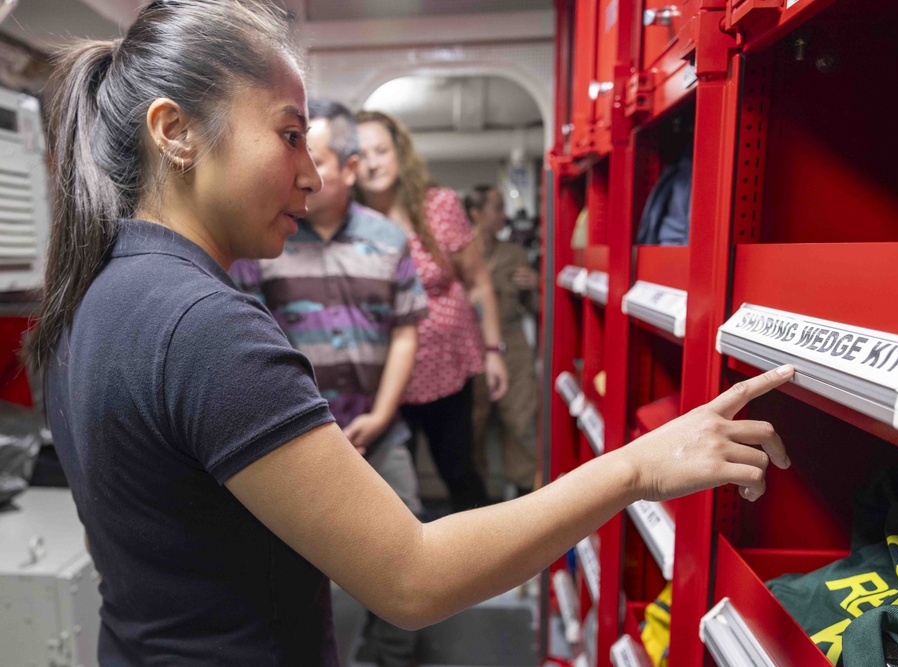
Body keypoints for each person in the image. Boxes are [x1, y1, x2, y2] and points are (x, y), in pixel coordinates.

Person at [27, 1, 793, 665]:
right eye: (290, 135)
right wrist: (636, 469)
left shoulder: (94, 291)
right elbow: (413, 576)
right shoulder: (203, 325)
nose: (314, 174)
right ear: (176, 132)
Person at [229, 99, 425, 667]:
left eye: (314, 155)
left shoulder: (389, 240)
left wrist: (384, 415)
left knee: (407, 552)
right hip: (291, 443)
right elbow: (250, 336)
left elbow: (407, 332)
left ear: (351, 167)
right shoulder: (267, 239)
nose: (301, 172)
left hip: (378, 434)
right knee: (295, 567)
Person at [353, 110, 508, 513]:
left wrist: (493, 353)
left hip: (448, 368)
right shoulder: (349, 219)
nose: (372, 162)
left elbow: (477, 281)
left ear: (399, 153)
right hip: (383, 375)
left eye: (381, 150)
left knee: (459, 471)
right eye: (361, 152)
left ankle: (487, 566)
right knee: (387, 485)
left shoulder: (439, 205)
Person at [465, 184, 541, 499]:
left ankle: (525, 503)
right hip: (470, 349)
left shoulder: (514, 254)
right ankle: (480, 506)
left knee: (522, 425)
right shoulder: (458, 253)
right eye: (496, 207)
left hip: (512, 347)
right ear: (476, 213)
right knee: (472, 430)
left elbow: (536, 309)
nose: (504, 215)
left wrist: (538, 285)